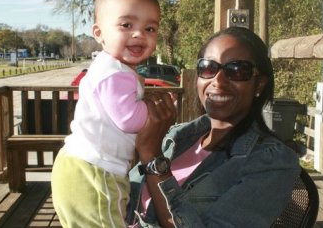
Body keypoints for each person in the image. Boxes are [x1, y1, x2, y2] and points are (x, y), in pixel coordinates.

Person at [127, 26, 301, 227]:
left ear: (259, 84)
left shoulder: (272, 161)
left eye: (237, 70)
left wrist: (153, 160)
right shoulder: (175, 137)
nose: (217, 81)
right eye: (208, 68)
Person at [51, 0, 164, 228]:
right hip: (94, 171)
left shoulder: (110, 67)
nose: (139, 34)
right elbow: (129, 119)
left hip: (83, 166)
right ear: (99, 33)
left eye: (150, 28)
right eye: (126, 25)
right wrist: (154, 109)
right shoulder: (116, 73)